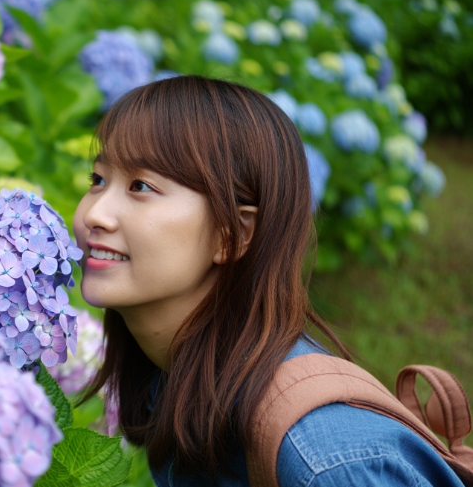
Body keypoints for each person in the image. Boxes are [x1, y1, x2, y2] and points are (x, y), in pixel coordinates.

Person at [72, 76, 465, 486]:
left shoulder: (324, 463)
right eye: (98, 179)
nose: (95, 213)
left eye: (140, 186)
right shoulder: (176, 382)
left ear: (235, 234)